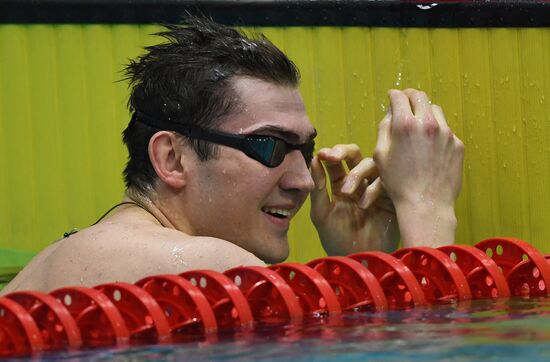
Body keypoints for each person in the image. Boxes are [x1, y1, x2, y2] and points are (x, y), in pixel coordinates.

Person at [1, 16, 463, 294]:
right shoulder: (198, 265)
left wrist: (359, 262)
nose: (304, 180)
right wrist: (427, 205)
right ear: (171, 159)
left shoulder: (69, 254)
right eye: (269, 145)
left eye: (305, 149)